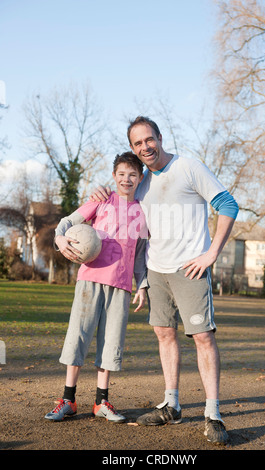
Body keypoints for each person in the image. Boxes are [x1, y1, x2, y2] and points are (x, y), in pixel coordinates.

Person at [90, 116, 239, 444]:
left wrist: (211, 253)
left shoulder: (188, 167)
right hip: (156, 271)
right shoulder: (141, 183)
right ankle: (171, 404)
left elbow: (227, 204)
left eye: (148, 139)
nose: (145, 147)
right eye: (137, 143)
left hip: (190, 269)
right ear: (132, 148)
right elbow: (129, 224)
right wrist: (98, 191)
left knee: (202, 338)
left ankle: (212, 413)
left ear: (160, 137)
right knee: (164, 334)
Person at [45, 151, 148, 423]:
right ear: (114, 176)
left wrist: (143, 285)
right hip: (90, 279)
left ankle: (101, 402)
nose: (127, 179)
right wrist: (60, 238)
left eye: (133, 175)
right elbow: (67, 222)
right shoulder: (100, 202)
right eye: (122, 174)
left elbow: (139, 256)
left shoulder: (141, 213)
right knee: (78, 335)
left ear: (140, 178)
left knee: (111, 343)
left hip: (122, 285)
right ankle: (68, 399)